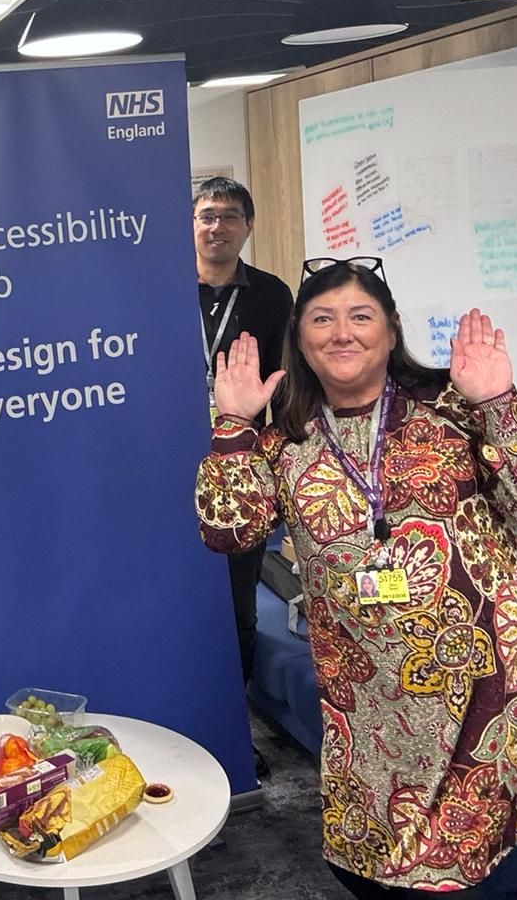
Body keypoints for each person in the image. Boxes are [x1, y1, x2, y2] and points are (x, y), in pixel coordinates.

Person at [196, 258, 517, 898]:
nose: (341, 332)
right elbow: (228, 533)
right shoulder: (284, 441)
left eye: (360, 316)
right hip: (369, 696)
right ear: (299, 338)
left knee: (470, 874)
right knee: (362, 864)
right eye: (322, 319)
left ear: (391, 329)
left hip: (483, 685)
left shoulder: (454, 410)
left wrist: (499, 405)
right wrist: (234, 426)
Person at [192, 176, 293, 771]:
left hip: (244, 475)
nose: (216, 226)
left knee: (237, 610)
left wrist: (281, 468)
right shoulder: (157, 291)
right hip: (171, 470)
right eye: (206, 215)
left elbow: (285, 389)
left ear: (247, 227)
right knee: (176, 603)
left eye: (229, 216)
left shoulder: (273, 296)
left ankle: (234, 729)